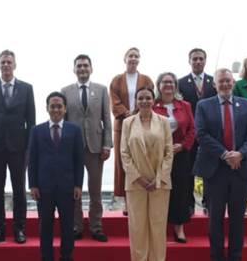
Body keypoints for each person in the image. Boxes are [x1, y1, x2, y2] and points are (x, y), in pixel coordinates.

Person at [193, 68, 247, 261]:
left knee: (237, 218)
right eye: (221, 81)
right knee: (215, 218)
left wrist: (241, 154)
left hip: (240, 169)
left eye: (228, 81)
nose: (225, 84)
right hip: (215, 171)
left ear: (233, 82)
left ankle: (235, 256)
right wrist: (224, 154)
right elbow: (201, 134)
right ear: (214, 84)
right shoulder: (204, 106)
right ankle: (217, 256)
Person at [0, 50, 36, 244]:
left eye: (9, 62)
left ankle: (19, 228)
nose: (6, 65)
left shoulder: (27, 89)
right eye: (2, 62)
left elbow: (31, 122)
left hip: (19, 148)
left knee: (19, 190)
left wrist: (30, 149)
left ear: (15, 65)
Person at [60, 54, 112, 242]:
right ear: (74, 69)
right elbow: (63, 121)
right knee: (74, 189)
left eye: (85, 66)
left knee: (95, 190)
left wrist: (107, 144)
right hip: (73, 148)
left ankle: (96, 227)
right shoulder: (65, 91)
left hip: (95, 146)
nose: (82, 69)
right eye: (79, 66)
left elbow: (106, 119)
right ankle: (76, 226)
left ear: (91, 68)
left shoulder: (101, 90)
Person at [28, 92, 84, 261]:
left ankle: (66, 256)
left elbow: (78, 160)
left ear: (65, 108)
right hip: (44, 188)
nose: (56, 109)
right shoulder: (37, 130)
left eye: (59, 106)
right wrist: (33, 185)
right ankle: (47, 257)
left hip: (67, 187)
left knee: (67, 226)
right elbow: (32, 160)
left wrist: (78, 185)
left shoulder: (74, 130)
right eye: (52, 106)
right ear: (47, 108)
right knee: (45, 226)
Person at [121, 87, 173, 261]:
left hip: (160, 183)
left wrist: (158, 179)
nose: (144, 101)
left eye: (148, 98)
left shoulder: (164, 122)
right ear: (136, 101)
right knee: (137, 229)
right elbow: (124, 153)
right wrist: (139, 178)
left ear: (154, 100)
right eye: (140, 98)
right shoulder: (127, 123)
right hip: (136, 184)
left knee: (158, 227)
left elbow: (169, 152)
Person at [109, 47, 154, 215]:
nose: (133, 59)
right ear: (125, 58)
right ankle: (127, 201)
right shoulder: (116, 80)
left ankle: (142, 196)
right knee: (123, 162)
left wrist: (137, 114)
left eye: (136, 56)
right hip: (122, 126)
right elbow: (114, 102)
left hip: (143, 124)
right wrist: (129, 115)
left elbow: (150, 100)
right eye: (130, 56)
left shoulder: (147, 80)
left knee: (141, 159)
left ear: (139, 59)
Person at [152, 72, 195, 243]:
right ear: (159, 85)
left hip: (180, 154)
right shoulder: (152, 106)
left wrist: (183, 146)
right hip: (158, 155)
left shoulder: (185, 105)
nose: (168, 85)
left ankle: (179, 227)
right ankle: (159, 227)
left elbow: (192, 129)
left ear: (176, 85)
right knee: (159, 191)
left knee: (180, 191)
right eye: (165, 82)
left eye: (171, 82)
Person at [178, 48, 217, 215]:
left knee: (209, 170)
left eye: (201, 59)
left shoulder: (213, 81)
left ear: (205, 61)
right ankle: (189, 204)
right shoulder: (181, 82)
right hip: (189, 133)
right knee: (189, 170)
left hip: (209, 133)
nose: (198, 62)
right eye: (194, 59)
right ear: (189, 61)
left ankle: (208, 202)